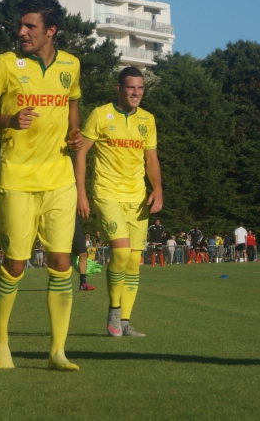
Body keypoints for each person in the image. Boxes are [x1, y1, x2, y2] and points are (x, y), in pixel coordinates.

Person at [0, 0, 82, 371]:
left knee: (61, 262)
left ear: (51, 30)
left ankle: (57, 352)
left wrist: (74, 131)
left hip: (59, 178)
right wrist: (7, 120)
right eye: (21, 25)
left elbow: (72, 103)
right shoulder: (5, 64)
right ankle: (1, 342)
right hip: (16, 178)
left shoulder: (71, 65)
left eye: (30, 26)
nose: (21, 32)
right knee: (15, 264)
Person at [75, 66, 161, 338]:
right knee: (121, 254)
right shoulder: (101, 115)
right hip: (107, 193)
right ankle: (113, 310)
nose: (136, 93)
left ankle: (124, 322)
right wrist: (81, 194)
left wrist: (157, 188)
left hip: (137, 198)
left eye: (140, 88)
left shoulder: (148, 119)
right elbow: (81, 154)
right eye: (130, 87)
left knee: (134, 262)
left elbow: (151, 159)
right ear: (119, 88)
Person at [71, 216, 94, 290]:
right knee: (60, 254)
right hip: (61, 224)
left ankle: (83, 283)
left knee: (83, 254)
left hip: (75, 225)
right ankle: (59, 282)